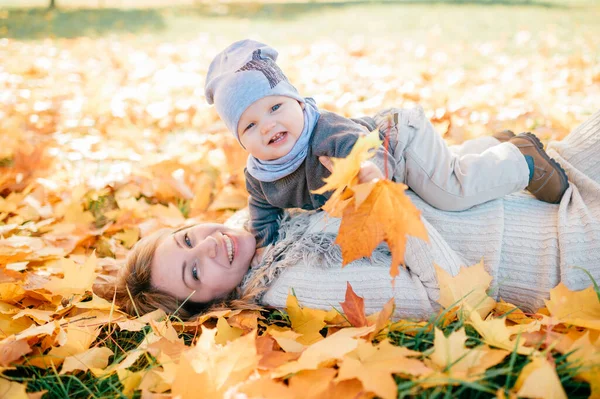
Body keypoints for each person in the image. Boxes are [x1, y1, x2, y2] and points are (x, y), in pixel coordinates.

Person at [112, 109, 600, 321]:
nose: (207, 246)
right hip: (568, 245)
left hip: (553, 179)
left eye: (185, 239)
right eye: (194, 270)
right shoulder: (292, 286)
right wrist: (379, 200)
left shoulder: (264, 227)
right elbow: (457, 298)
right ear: (210, 304)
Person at [203, 39, 569, 251]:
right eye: (250, 124)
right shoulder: (261, 175)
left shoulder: (323, 133)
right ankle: (494, 145)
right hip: (391, 157)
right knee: (445, 169)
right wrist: (262, 243)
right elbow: (262, 208)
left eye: (276, 107)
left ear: (298, 102)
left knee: (450, 192)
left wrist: (368, 175)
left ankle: (523, 161)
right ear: (241, 140)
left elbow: (359, 149)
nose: (268, 125)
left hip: (397, 141)